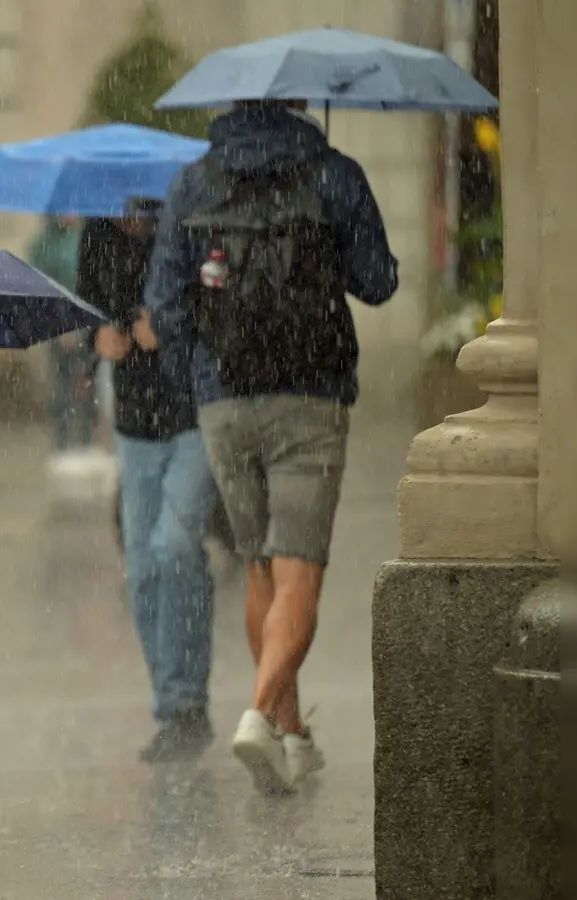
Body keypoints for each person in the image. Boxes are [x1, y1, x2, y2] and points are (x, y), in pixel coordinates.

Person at [143, 99, 398, 793]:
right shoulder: (333, 172)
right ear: (296, 107)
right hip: (309, 400)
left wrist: (200, 377)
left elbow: (163, 302)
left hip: (223, 402)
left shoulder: (194, 182)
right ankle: (259, 714)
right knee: (299, 572)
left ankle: (291, 735)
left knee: (259, 567)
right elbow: (379, 282)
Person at [83, 198, 218, 763]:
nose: (127, 219)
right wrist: (97, 336)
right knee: (141, 568)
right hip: (135, 426)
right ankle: (172, 703)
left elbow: (217, 303)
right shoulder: (97, 233)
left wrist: (166, 325)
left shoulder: (188, 225)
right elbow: (83, 307)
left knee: (175, 548)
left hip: (194, 415)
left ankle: (186, 702)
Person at [31, 215, 106, 478]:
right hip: (60, 328)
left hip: (89, 326)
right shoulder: (47, 244)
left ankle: (85, 441)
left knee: (87, 384)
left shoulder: (91, 236)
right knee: (63, 386)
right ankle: (62, 444)